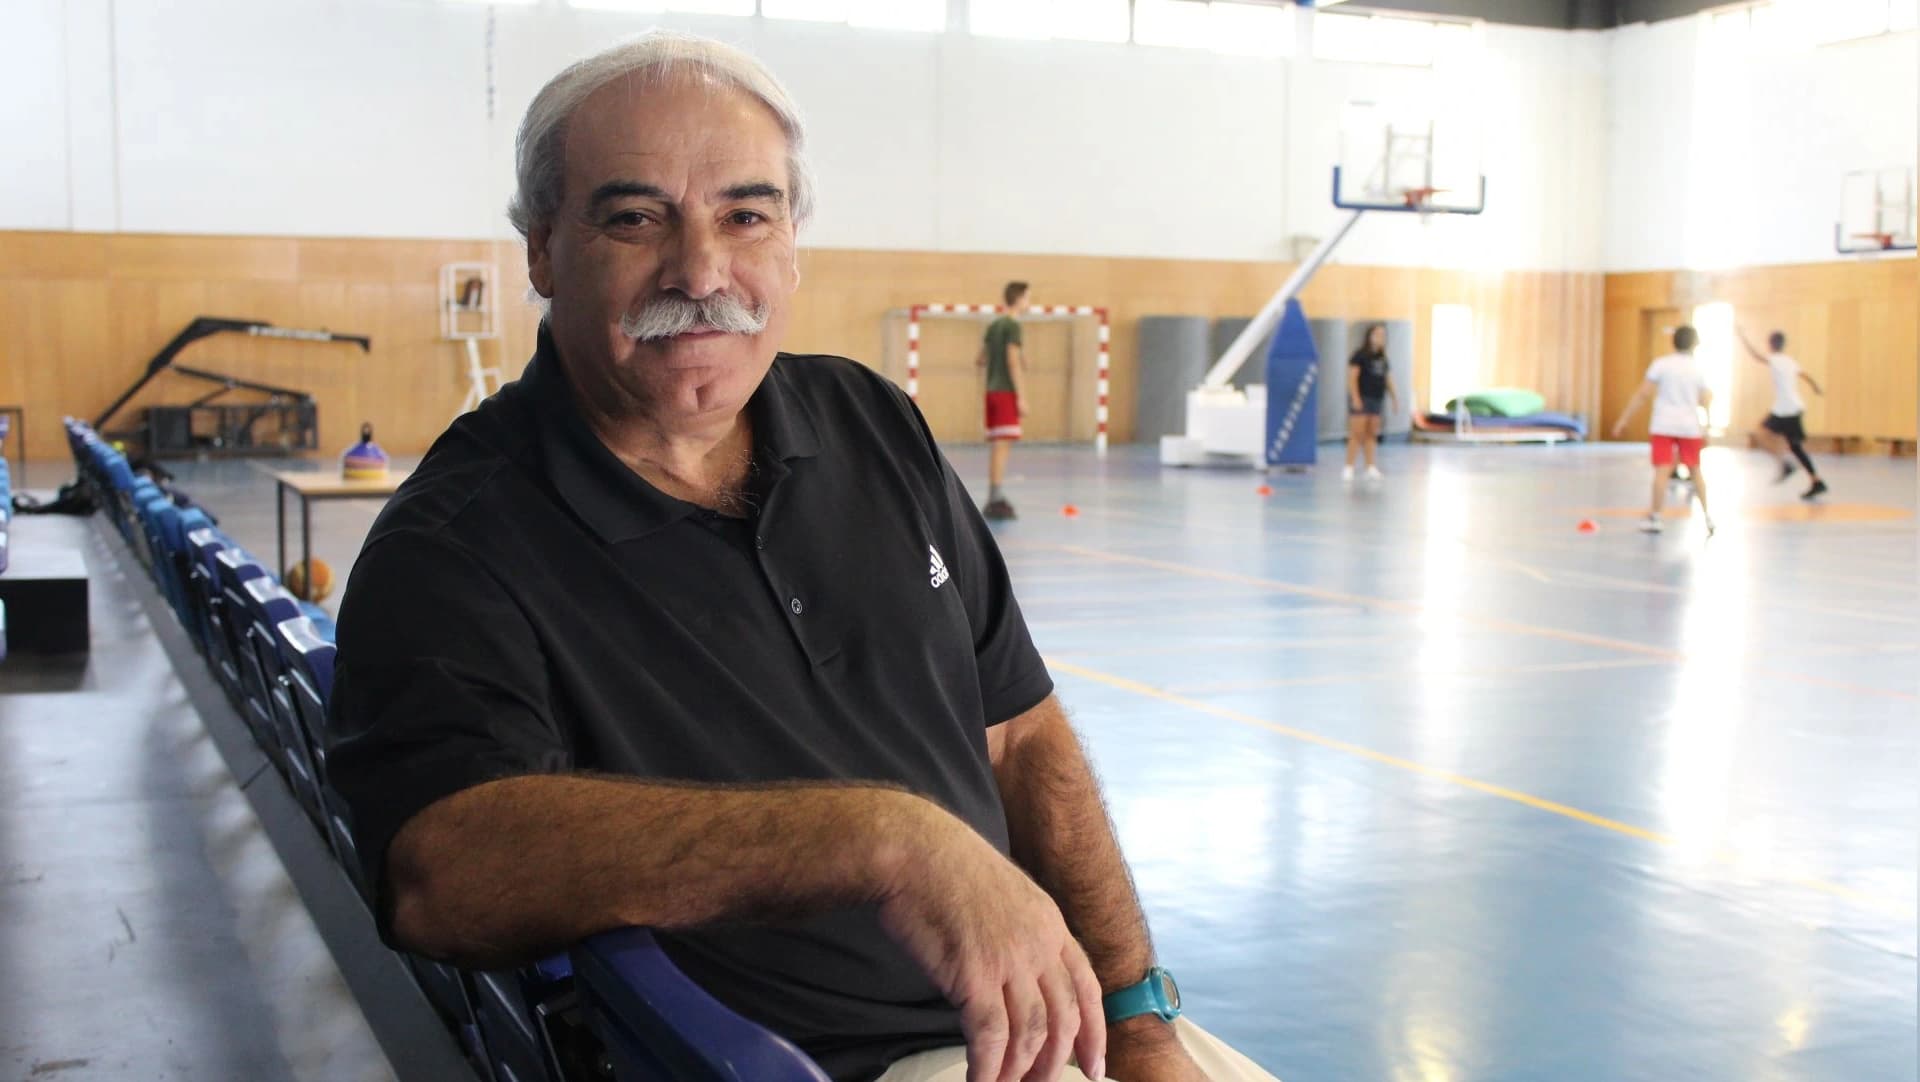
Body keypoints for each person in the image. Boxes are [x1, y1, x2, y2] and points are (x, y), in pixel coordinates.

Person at [327, 32, 1277, 1082]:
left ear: (792, 245)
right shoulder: (456, 541)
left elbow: (1021, 735)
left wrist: (1135, 1012)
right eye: (636, 217)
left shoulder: (872, 421)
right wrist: (874, 841)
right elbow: (442, 869)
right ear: (544, 249)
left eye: (746, 215)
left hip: (1057, 1023)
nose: (701, 272)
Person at [1611, 325, 1717, 536]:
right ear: (1694, 344)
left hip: (1663, 424)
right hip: (1689, 426)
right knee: (1695, 470)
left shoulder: (1661, 365)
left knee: (1662, 470)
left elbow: (1643, 394)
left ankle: (1655, 517)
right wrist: (1707, 426)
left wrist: (1623, 420)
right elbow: (1705, 400)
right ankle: (1708, 517)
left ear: (1673, 342)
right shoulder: (1697, 369)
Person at [1739, 328, 1827, 500]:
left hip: (1784, 410)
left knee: (1760, 433)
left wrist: (1742, 337)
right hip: (1793, 408)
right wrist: (1815, 386)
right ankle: (1816, 481)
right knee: (1795, 447)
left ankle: (1784, 464)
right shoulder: (1789, 361)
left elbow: (1755, 355)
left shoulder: (1776, 360)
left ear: (1770, 344)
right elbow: (1805, 375)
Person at [978, 282, 1030, 519]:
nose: (1029, 303)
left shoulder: (994, 325)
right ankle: (995, 497)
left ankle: (995, 494)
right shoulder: (1012, 326)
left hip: (991, 391)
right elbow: (1011, 361)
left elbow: (980, 359)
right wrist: (1021, 397)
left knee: (998, 444)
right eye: (1027, 298)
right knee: (1002, 445)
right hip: (1005, 392)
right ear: (1018, 299)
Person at [1343, 323, 1397, 481]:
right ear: (1370, 336)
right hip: (1362, 398)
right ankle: (1349, 467)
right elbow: (1352, 378)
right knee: (1357, 433)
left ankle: (1370, 466)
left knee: (1371, 434)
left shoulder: (1382, 358)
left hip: (1376, 399)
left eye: (1383, 335)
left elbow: (1387, 379)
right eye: (1377, 334)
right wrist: (1356, 398)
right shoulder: (1359, 355)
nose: (1380, 337)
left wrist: (1394, 397)